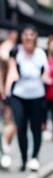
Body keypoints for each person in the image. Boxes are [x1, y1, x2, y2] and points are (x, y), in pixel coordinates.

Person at [6, 25, 53, 171]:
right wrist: (7, 89)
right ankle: (24, 158)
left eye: (31, 35)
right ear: (22, 37)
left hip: (37, 95)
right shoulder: (16, 52)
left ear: (35, 37)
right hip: (19, 95)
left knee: (35, 127)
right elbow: (11, 70)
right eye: (25, 35)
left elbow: (46, 73)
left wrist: (47, 79)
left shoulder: (41, 53)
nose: (28, 38)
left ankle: (34, 157)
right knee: (20, 125)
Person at [0, 30, 19, 169]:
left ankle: (4, 147)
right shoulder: (6, 51)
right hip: (6, 94)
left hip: (8, 94)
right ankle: (4, 148)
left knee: (9, 122)